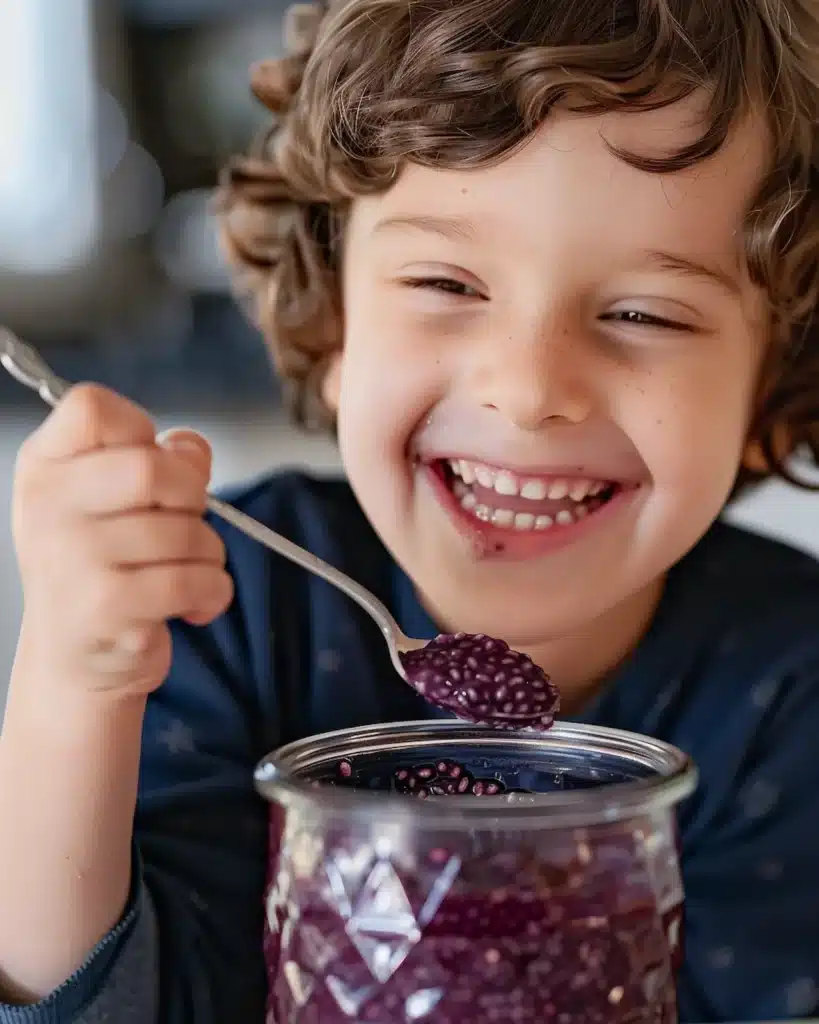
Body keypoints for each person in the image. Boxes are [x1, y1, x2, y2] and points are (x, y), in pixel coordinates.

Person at [2, 0, 819, 1020]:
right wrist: (74, 685)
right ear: (337, 320)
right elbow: (110, 1002)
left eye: (643, 313)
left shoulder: (791, 687)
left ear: (773, 392)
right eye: (445, 281)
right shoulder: (226, 606)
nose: (526, 390)